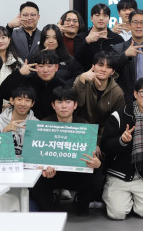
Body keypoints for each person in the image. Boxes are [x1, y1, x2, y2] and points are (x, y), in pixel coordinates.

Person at [31, 87, 103, 216]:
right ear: (53, 105)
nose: (64, 106)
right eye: (59, 102)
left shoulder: (84, 126)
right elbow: (36, 157)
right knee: (35, 180)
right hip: (52, 174)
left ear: (75, 105)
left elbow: (91, 158)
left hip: (76, 174)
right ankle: (51, 200)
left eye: (68, 102)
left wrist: (97, 164)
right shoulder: (44, 125)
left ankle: (80, 202)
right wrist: (42, 168)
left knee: (96, 178)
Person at [101, 78, 143, 220]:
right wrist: (122, 141)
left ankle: (132, 202)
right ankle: (119, 199)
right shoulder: (118, 116)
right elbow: (105, 146)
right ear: (135, 94)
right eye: (142, 92)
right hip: (119, 175)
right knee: (117, 214)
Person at [73, 52, 126, 147]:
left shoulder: (117, 93)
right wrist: (81, 80)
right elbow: (77, 104)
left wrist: (97, 142)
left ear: (112, 72)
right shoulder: (82, 80)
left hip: (102, 137)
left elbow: (112, 123)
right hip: (77, 131)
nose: (103, 70)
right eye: (100, 65)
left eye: (108, 67)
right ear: (93, 66)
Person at [1, 50, 67, 120]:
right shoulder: (26, 81)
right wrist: (19, 74)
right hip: (26, 122)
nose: (45, 70)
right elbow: (4, 93)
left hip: (51, 124)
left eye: (49, 66)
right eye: (41, 66)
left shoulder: (63, 86)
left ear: (56, 67)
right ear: (35, 67)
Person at [74, 3, 125, 69]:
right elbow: (76, 60)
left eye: (105, 15)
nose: (101, 18)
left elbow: (121, 63)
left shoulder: (117, 39)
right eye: (97, 15)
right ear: (91, 18)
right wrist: (86, 41)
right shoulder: (81, 37)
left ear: (109, 18)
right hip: (87, 74)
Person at [0, 84, 38, 155]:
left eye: (27, 100)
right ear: (12, 100)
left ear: (32, 103)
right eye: (19, 99)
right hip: (5, 160)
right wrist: (4, 133)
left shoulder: (37, 124)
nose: (23, 104)